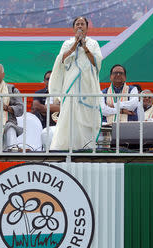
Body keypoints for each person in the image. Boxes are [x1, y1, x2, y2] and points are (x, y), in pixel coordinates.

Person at [48, 16, 102, 150]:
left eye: (82, 24)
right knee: (70, 114)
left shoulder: (93, 43)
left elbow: (97, 62)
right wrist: (74, 46)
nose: (79, 26)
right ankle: (67, 146)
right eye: (77, 24)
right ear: (73, 28)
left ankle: (87, 147)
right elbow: (61, 60)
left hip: (87, 85)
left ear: (87, 28)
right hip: (71, 84)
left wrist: (84, 47)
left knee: (86, 115)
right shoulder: (67, 43)